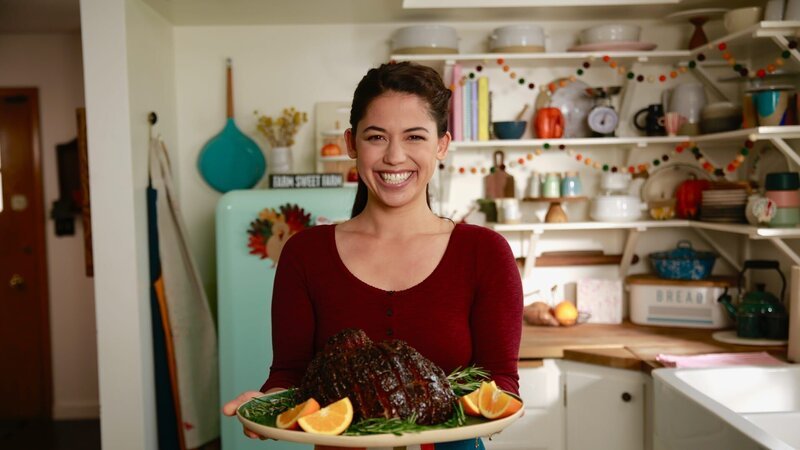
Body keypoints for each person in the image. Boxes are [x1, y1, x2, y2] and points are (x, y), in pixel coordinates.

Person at [223, 61, 523, 448]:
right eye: (376, 137)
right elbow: (290, 374)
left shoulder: (484, 253)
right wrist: (268, 403)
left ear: (442, 145)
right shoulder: (305, 254)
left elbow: (500, 382)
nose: (394, 157)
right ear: (352, 143)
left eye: (415, 137)